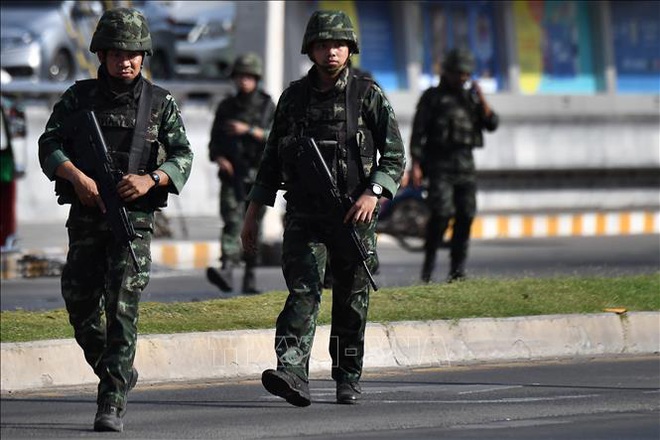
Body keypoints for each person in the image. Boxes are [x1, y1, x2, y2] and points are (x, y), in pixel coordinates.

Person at [37, 8, 193, 432]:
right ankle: (117, 369)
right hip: (86, 217)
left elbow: (183, 157)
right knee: (80, 302)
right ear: (102, 54)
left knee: (122, 307)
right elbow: (48, 144)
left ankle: (110, 402)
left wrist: (151, 179)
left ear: (145, 56)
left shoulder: (160, 104)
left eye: (135, 53)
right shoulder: (77, 98)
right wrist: (77, 177)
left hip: (133, 223)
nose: (126, 60)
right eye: (118, 53)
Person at [241, 10, 405, 406]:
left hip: (353, 214)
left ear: (350, 48)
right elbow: (271, 161)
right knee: (303, 291)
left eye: (338, 44)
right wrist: (252, 214)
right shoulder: (293, 97)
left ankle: (347, 376)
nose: (331, 51)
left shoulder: (367, 93)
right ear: (310, 49)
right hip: (304, 214)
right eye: (323, 44)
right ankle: (292, 372)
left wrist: (373, 193)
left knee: (351, 295)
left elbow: (395, 156)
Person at [408, 47, 499, 283]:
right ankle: (428, 268)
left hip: (465, 166)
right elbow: (418, 132)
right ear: (447, 72)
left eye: (466, 74)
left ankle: (457, 271)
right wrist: (416, 164)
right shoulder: (432, 97)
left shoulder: (471, 98)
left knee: (466, 214)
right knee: (441, 214)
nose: (462, 77)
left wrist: (482, 99)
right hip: (439, 166)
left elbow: (492, 124)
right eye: (458, 72)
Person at [206, 53, 275, 294]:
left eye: (248, 76)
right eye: (239, 76)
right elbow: (213, 143)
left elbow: (276, 139)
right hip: (232, 175)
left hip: (258, 176)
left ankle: (250, 276)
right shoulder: (227, 107)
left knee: (254, 225)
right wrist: (220, 158)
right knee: (231, 221)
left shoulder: (267, 107)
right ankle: (226, 268)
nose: (243, 81)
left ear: (256, 78)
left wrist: (249, 130)